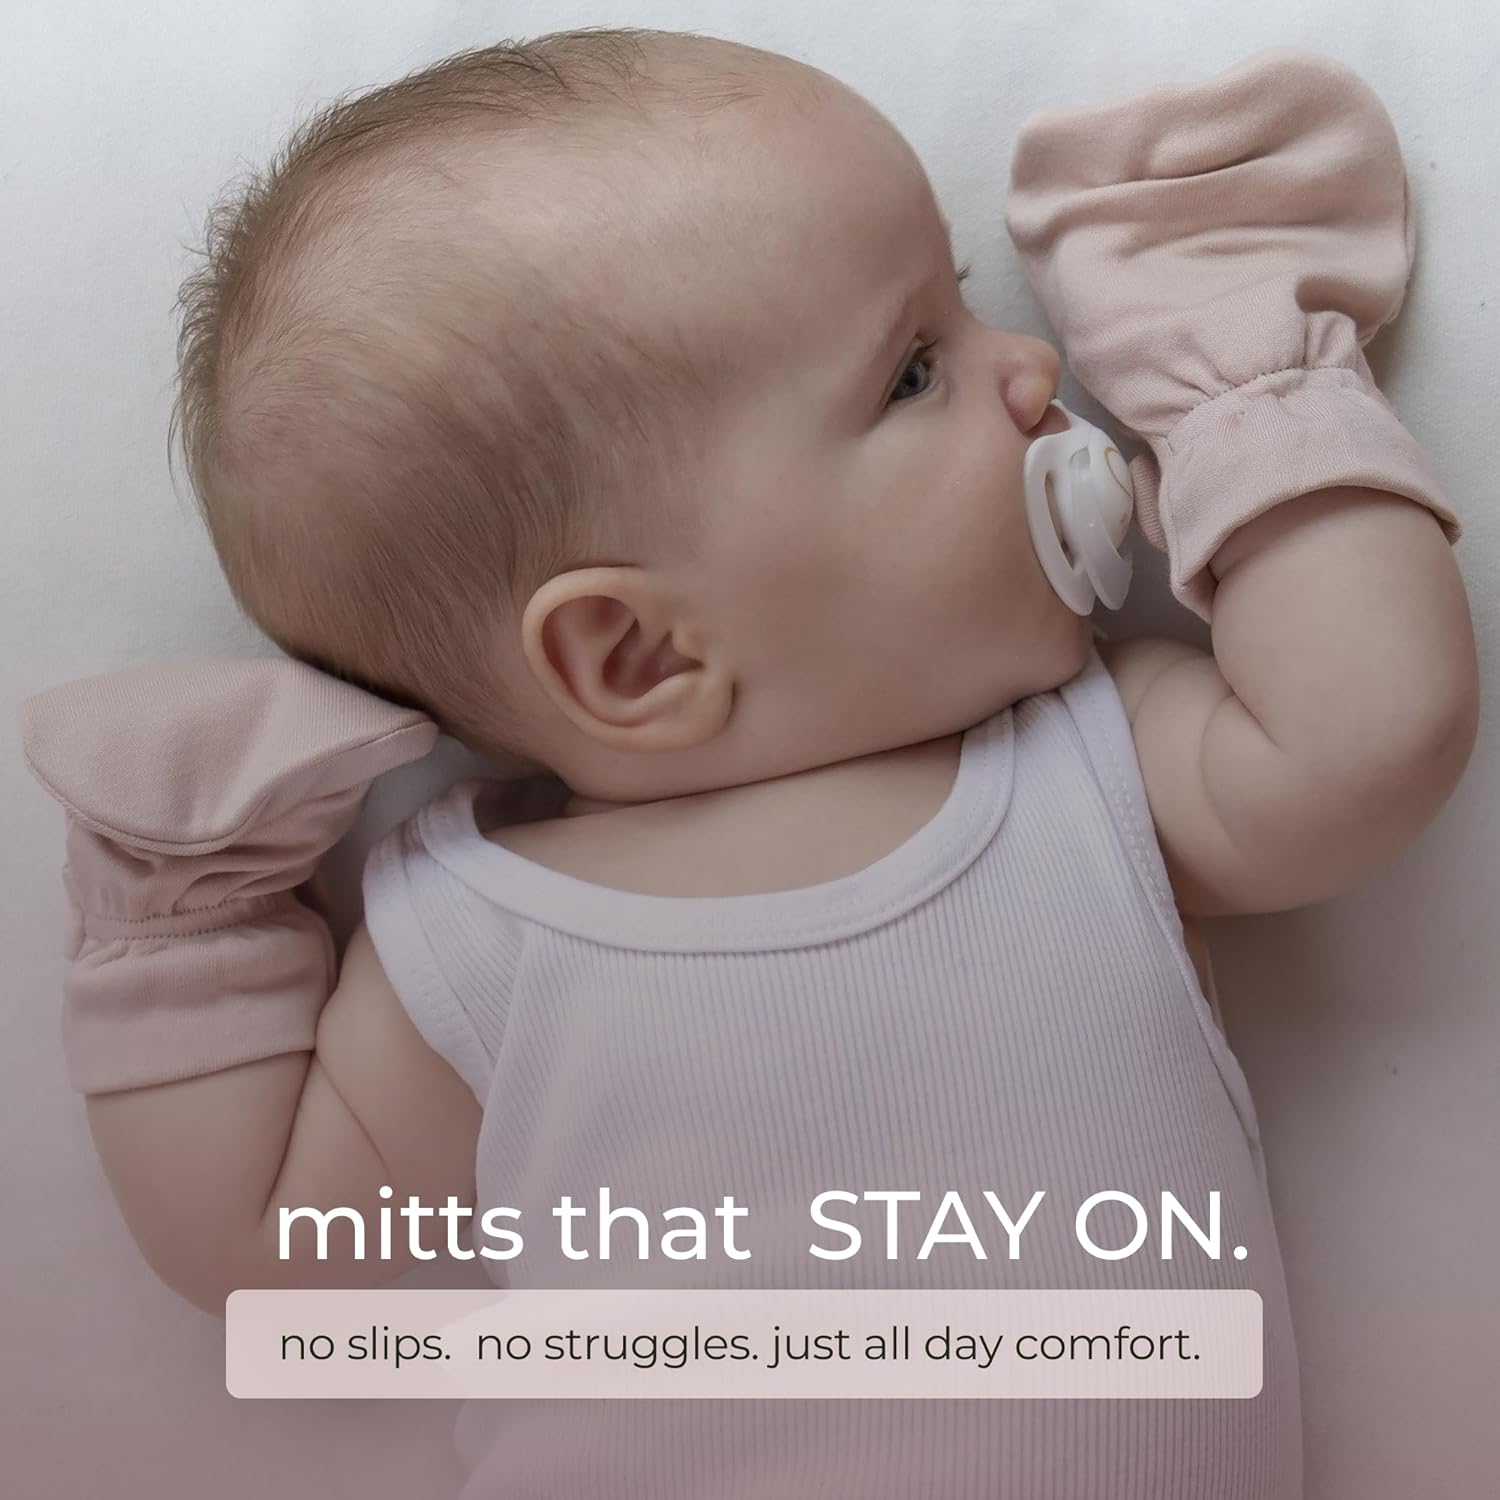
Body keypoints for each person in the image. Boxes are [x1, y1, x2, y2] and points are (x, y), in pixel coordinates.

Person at [21, 28, 1477, 1498]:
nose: (1036, 364)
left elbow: (1369, 737)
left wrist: (1243, 391)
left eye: (966, 306)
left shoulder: (1090, 772)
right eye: (915, 371)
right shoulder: (475, 940)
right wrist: (185, 910)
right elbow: (274, 1256)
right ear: (638, 656)